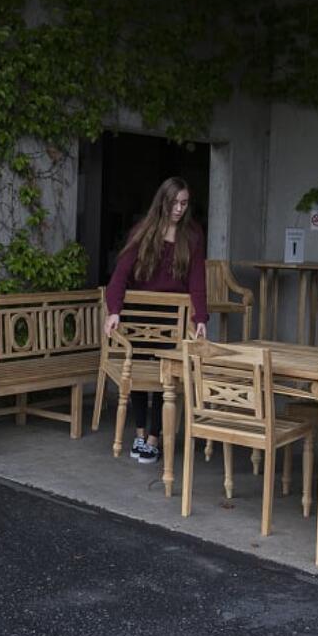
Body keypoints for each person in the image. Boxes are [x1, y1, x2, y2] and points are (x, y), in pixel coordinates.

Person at [103, 176, 208, 464]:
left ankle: (154, 437)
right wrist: (114, 310)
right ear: (162, 201)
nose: (178, 209)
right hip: (141, 314)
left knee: (165, 377)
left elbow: (198, 281)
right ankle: (139, 433)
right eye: (174, 202)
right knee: (138, 373)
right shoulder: (143, 231)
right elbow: (120, 275)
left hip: (172, 318)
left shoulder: (193, 235)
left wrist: (200, 317)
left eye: (184, 203)